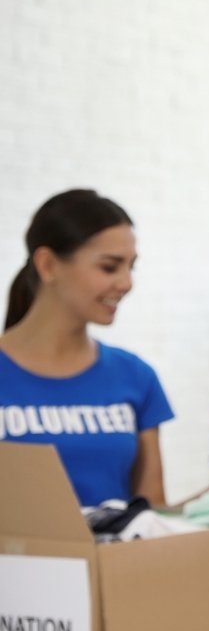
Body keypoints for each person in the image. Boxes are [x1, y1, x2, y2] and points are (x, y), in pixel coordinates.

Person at [1, 189, 172, 507]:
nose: (127, 283)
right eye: (110, 267)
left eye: (131, 267)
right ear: (48, 265)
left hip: (118, 543)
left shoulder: (136, 377)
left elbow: (152, 511)